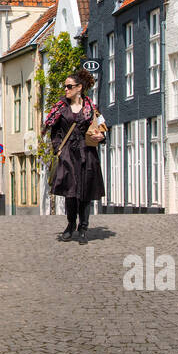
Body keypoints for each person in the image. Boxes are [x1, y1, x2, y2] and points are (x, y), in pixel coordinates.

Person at [42, 68, 105, 243]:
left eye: (69, 86)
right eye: (65, 86)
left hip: (87, 154)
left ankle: (83, 228)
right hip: (68, 154)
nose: (66, 90)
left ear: (79, 88)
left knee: (85, 194)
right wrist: (58, 150)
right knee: (70, 193)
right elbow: (54, 133)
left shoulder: (92, 108)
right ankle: (70, 226)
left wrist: (101, 136)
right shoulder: (60, 109)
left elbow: (103, 128)